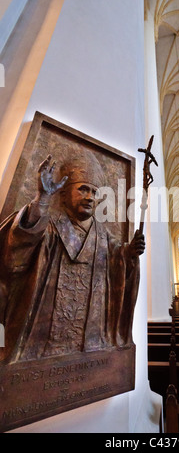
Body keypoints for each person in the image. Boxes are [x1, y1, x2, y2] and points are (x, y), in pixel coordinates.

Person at [0, 151, 145, 362]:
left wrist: (129, 254)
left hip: (90, 339)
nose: (89, 197)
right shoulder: (49, 225)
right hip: (43, 335)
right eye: (83, 189)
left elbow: (117, 257)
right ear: (64, 194)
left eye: (94, 192)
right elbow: (17, 250)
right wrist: (42, 199)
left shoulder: (103, 236)